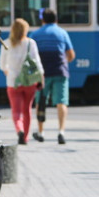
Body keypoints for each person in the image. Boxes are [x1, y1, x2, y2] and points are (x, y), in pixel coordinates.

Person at [31, 9, 74, 144]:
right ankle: (61, 132)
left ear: (42, 20)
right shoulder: (62, 33)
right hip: (60, 71)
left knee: (41, 102)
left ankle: (41, 132)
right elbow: (71, 55)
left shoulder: (35, 34)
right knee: (61, 101)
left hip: (42, 73)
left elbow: (31, 55)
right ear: (56, 19)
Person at [0, 18, 44, 145]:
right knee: (27, 109)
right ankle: (25, 137)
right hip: (29, 82)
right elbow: (38, 63)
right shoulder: (31, 43)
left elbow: (2, 65)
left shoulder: (6, 43)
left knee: (16, 111)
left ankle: (20, 131)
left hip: (13, 82)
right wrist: (41, 78)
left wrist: (8, 72)